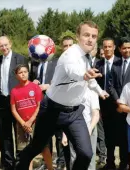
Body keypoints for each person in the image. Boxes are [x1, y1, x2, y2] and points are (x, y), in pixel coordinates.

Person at [15, 21, 109, 170]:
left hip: (74, 113)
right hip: (51, 110)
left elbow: (89, 79)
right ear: (78, 36)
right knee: (36, 147)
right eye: (86, 35)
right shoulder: (70, 55)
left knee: (86, 154)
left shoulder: (87, 56)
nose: (90, 39)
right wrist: (84, 75)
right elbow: (74, 72)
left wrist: (99, 91)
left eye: (94, 36)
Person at [0, 36, 27, 169]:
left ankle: (21, 162)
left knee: (20, 135)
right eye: (1, 45)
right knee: (4, 134)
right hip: (1, 102)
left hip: (18, 102)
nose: (4, 48)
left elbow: (25, 79)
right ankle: (8, 163)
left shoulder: (20, 58)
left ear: (10, 44)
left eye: (6, 45)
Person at [11, 64, 53, 170]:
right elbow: (13, 109)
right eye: (20, 72)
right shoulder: (14, 91)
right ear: (16, 75)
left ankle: (50, 168)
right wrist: (23, 123)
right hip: (22, 125)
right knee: (25, 150)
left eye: (25, 71)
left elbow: (39, 106)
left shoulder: (35, 87)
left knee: (44, 147)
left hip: (36, 122)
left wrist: (30, 121)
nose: (23, 74)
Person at [109, 37, 130, 170]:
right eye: (124, 48)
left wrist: (128, 105)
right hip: (119, 108)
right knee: (122, 137)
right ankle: (124, 163)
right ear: (119, 49)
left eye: (129, 47)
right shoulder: (116, 64)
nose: (127, 50)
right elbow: (111, 85)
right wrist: (118, 101)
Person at [95, 38, 120, 169]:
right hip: (103, 103)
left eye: (110, 46)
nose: (107, 49)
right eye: (105, 47)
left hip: (118, 103)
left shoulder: (120, 62)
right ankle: (110, 162)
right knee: (106, 133)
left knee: (120, 133)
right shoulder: (98, 64)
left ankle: (125, 162)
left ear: (114, 47)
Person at [68, 87, 100, 170]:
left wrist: (89, 130)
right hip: (74, 129)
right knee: (74, 157)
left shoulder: (92, 94)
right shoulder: (71, 94)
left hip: (89, 129)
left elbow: (96, 115)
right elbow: (67, 114)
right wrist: (65, 134)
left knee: (88, 158)